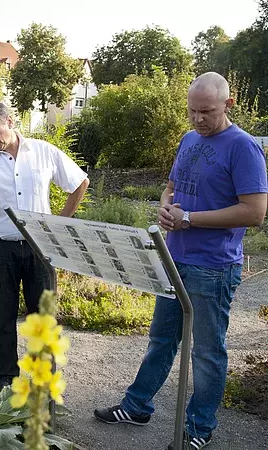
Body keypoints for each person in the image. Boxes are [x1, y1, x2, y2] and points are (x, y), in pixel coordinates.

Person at [94, 72, 268, 450]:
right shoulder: (189, 139)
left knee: (206, 352)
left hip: (214, 266)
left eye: (206, 111)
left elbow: (255, 212)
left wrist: (190, 219)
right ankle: (137, 406)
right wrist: (166, 207)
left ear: (228, 104)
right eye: (192, 111)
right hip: (174, 259)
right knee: (161, 340)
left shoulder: (243, 147)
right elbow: (171, 186)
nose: (197, 119)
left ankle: (199, 429)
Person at [0, 101, 89, 391]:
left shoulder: (42, 151)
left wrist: (59, 224)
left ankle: (44, 380)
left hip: (38, 247)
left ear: (11, 121)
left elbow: (80, 182)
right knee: (3, 316)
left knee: (42, 318)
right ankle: (6, 380)